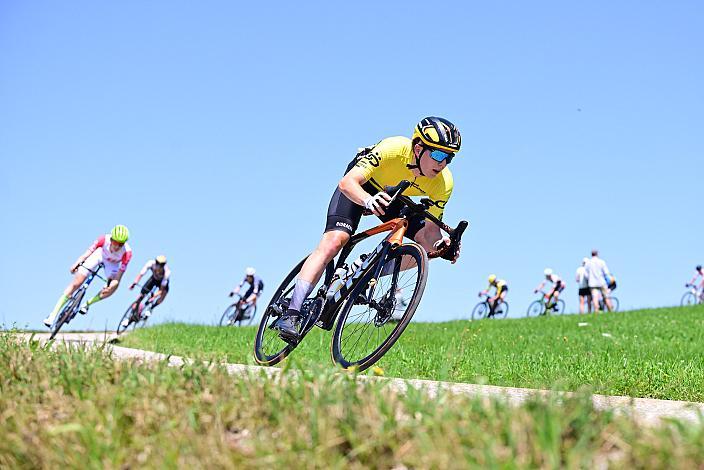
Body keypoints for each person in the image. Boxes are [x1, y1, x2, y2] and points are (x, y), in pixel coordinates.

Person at [274, 117, 463, 342]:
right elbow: (347, 183)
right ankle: (292, 312)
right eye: (438, 155)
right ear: (419, 147)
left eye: (449, 158)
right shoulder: (393, 149)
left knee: (426, 250)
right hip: (360, 187)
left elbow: (430, 231)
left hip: (395, 196)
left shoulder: (444, 183)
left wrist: (441, 246)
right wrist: (367, 201)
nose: (443, 164)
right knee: (335, 241)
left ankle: (367, 272)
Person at [44, 225, 132, 327]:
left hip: (112, 265)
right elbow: (87, 254)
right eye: (115, 242)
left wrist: (112, 285)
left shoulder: (127, 252)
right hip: (99, 256)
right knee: (76, 283)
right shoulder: (103, 239)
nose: (117, 246)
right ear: (111, 239)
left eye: (120, 244)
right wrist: (76, 263)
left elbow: (119, 277)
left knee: (112, 288)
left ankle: (87, 304)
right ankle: (53, 315)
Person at [127, 255, 171, 324]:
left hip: (162, 284)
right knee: (141, 295)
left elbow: (161, 290)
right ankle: (133, 312)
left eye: (161, 265)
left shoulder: (166, 273)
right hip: (153, 279)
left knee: (162, 296)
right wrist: (135, 282)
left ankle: (151, 307)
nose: (159, 266)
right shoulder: (150, 263)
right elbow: (141, 274)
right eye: (157, 263)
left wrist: (154, 296)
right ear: (155, 262)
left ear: (164, 265)